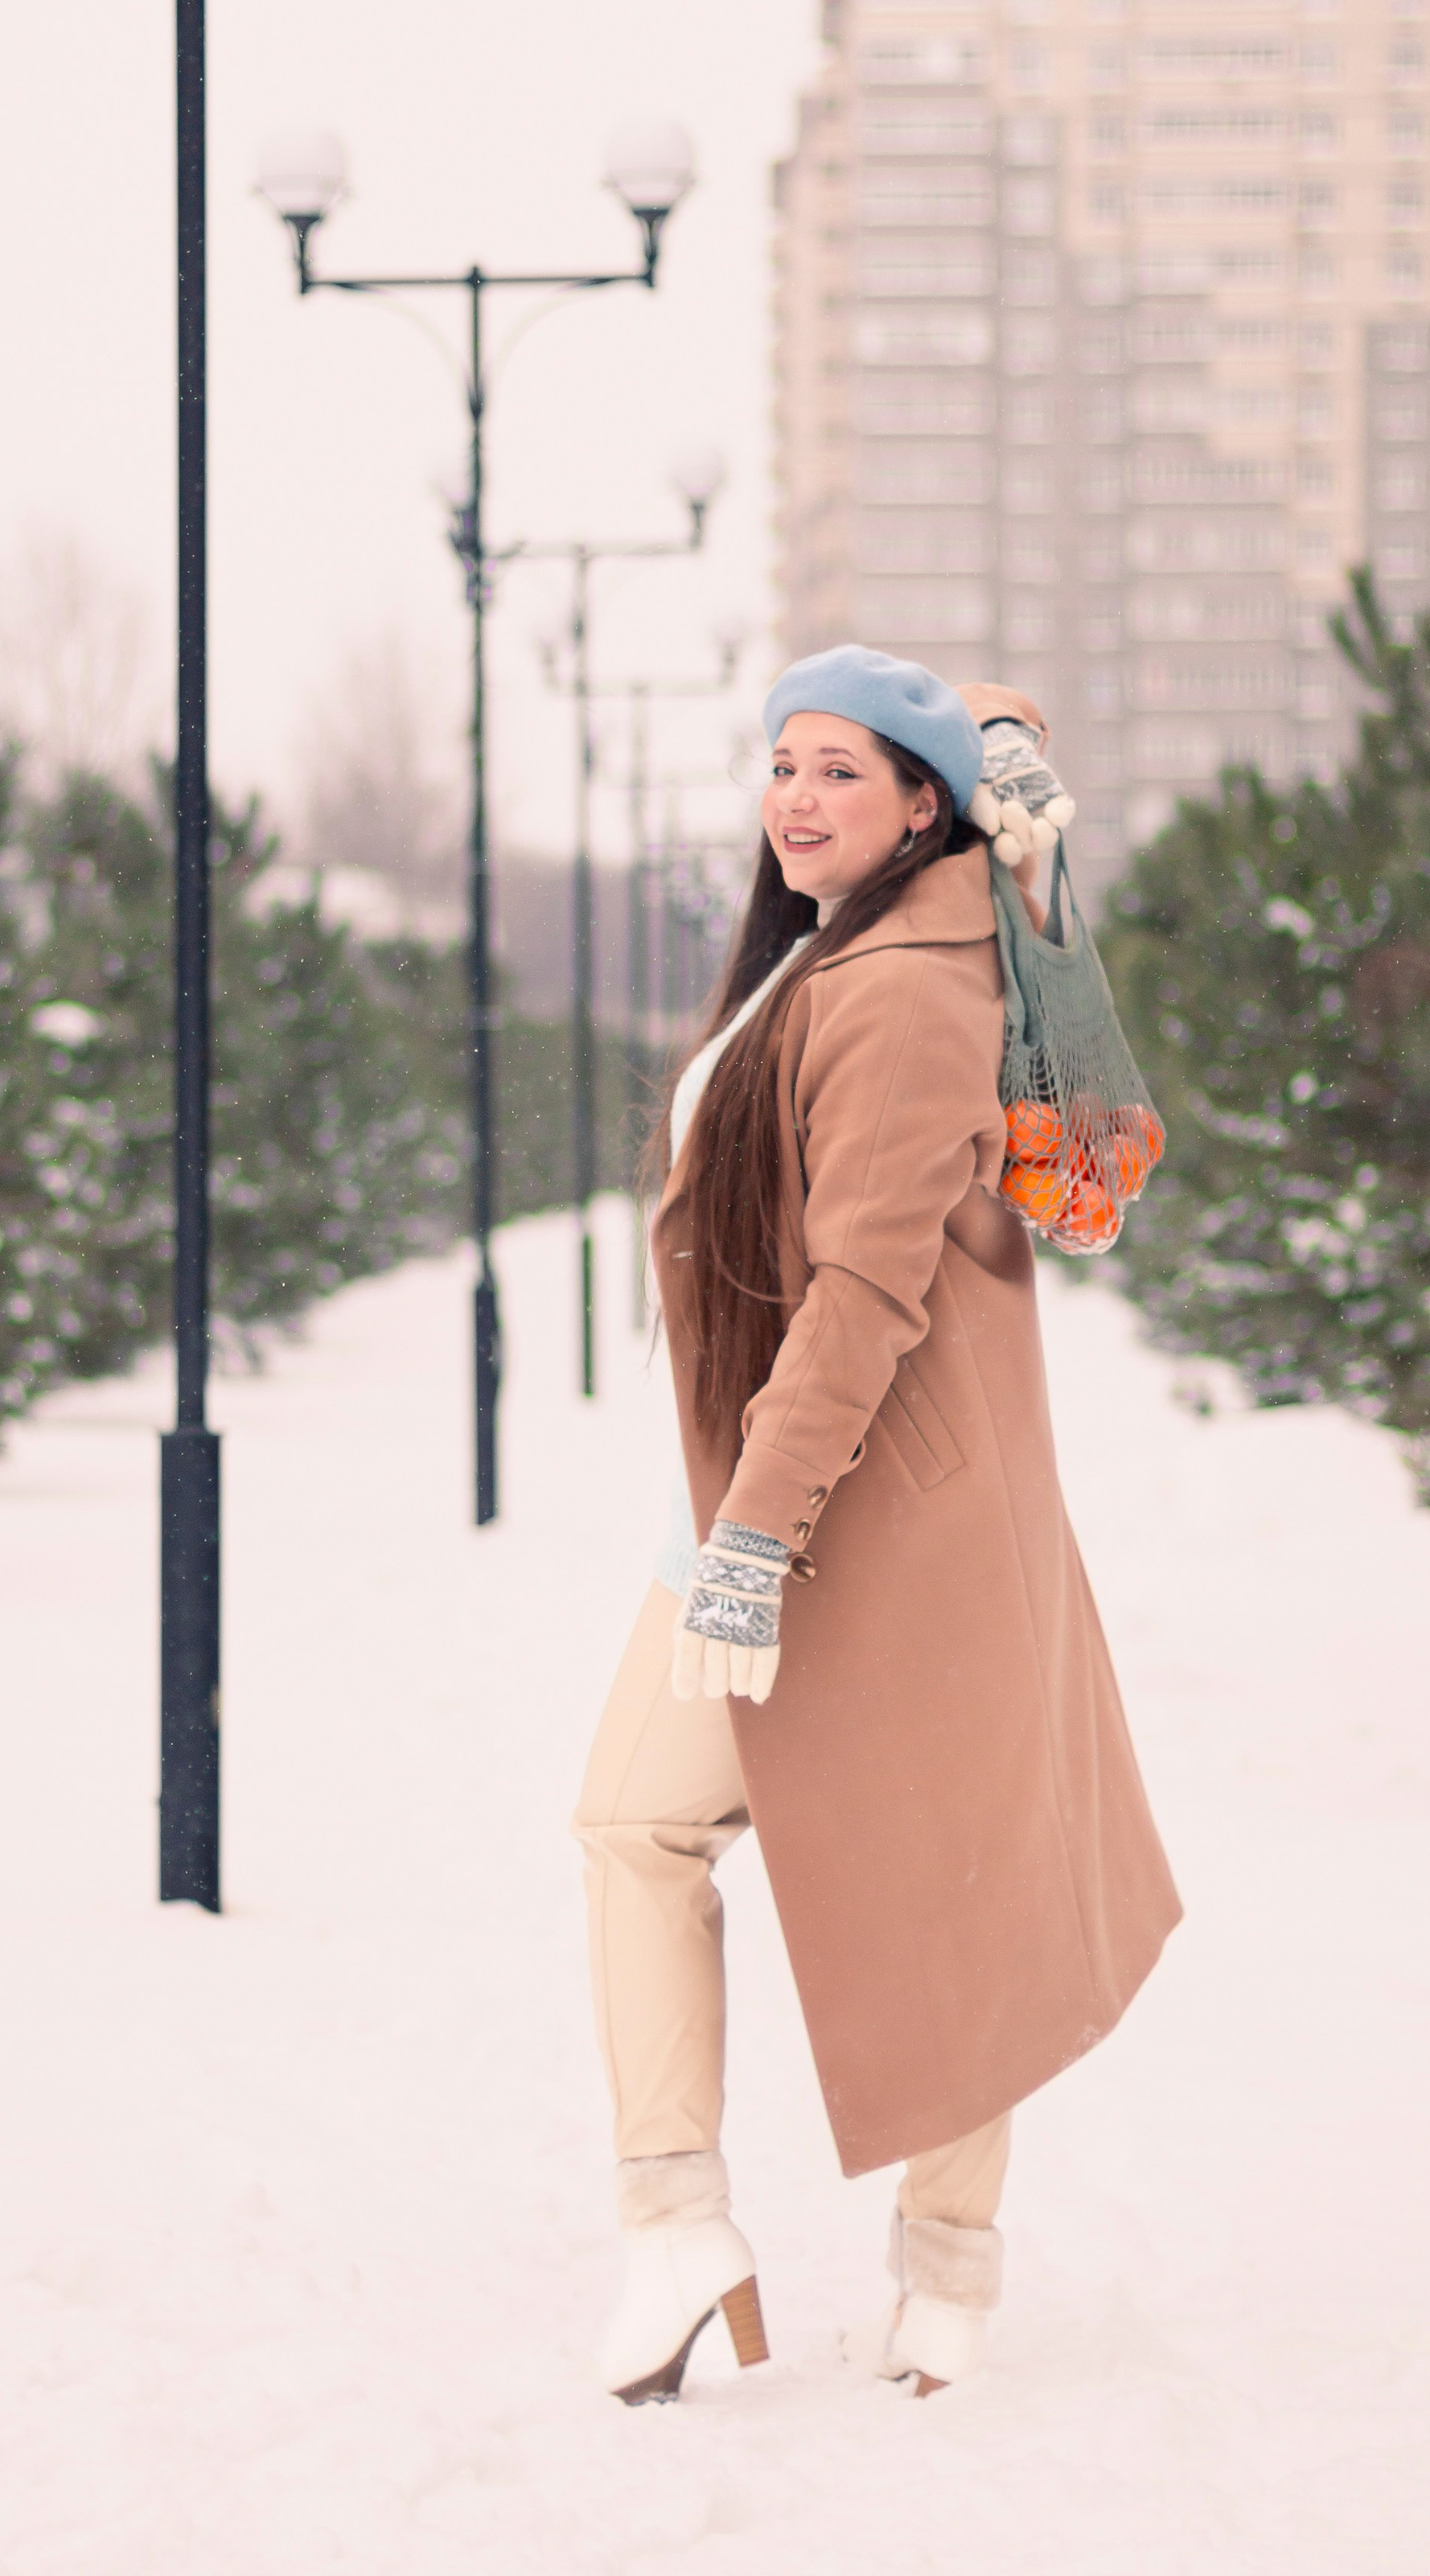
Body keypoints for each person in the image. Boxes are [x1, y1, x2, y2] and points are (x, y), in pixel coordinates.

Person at [573, 646, 1181, 2406]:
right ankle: (678, 2229)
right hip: (792, 1492)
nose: (792, 797)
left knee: (953, 1875)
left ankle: (944, 2266)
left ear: (921, 807)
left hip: (883, 1519)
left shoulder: (914, 979)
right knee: (631, 1820)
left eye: (838, 770)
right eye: (779, 763)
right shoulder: (830, 959)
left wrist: (751, 1541)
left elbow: (864, 1295)